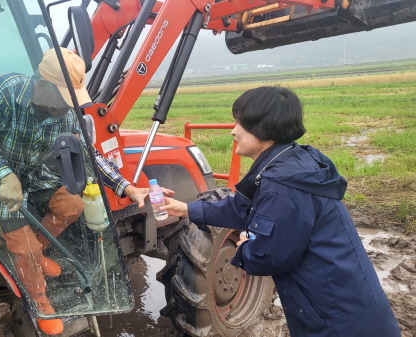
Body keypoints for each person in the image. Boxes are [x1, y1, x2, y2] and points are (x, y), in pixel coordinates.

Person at [0, 47, 173, 335]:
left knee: (72, 204)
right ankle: (41, 302)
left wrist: (127, 188)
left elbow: (87, 154)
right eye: (63, 98)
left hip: (30, 180)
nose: (68, 107)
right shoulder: (2, 90)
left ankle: (35, 256)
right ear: (42, 84)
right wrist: (3, 175)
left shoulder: (63, 114)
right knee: (24, 246)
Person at [162, 86, 400, 337]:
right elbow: (243, 208)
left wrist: (245, 247)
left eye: (241, 123)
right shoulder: (290, 163)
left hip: (336, 318)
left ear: (263, 127)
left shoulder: (282, 185)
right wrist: (187, 208)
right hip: (346, 302)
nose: (233, 130)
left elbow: (271, 256)